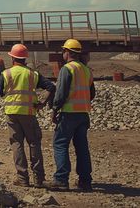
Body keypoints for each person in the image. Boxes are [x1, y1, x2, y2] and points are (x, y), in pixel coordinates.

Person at [0, 43, 56, 188]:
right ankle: (39, 179)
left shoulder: (6, 74)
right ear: (25, 59)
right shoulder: (33, 74)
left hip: (12, 114)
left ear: (12, 58)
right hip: (29, 114)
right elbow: (51, 87)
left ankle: (23, 179)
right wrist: (42, 102)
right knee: (34, 143)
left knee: (17, 144)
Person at [47, 39, 95, 192]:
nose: (63, 54)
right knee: (82, 147)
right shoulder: (87, 70)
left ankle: (61, 179)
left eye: (63, 51)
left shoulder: (67, 69)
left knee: (60, 144)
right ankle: (85, 181)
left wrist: (54, 110)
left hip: (68, 114)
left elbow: (60, 94)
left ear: (67, 52)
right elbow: (92, 93)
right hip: (83, 114)